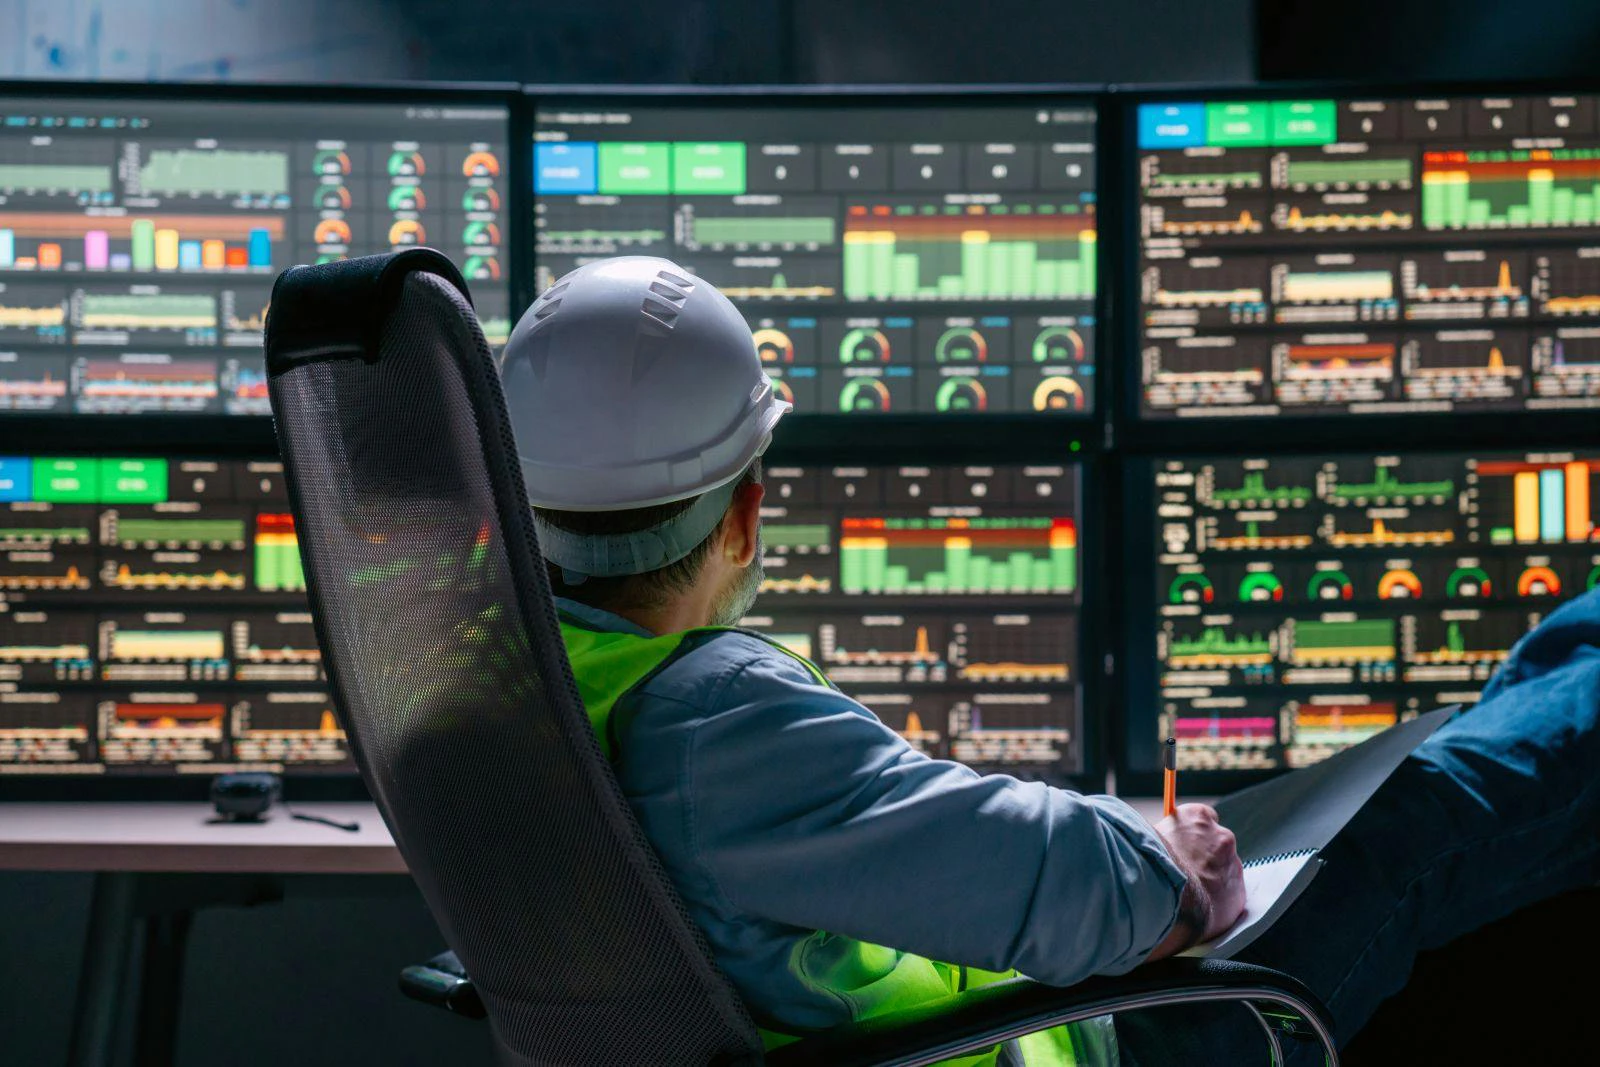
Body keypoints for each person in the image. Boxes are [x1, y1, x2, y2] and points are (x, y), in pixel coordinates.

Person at [498, 256, 1600, 1064]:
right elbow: (1096, 895)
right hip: (1098, 1037)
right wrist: (1175, 860)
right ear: (744, 514)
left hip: (961, 1004)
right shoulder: (714, 720)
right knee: (1409, 807)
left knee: (1468, 744)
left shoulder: (502, 681)